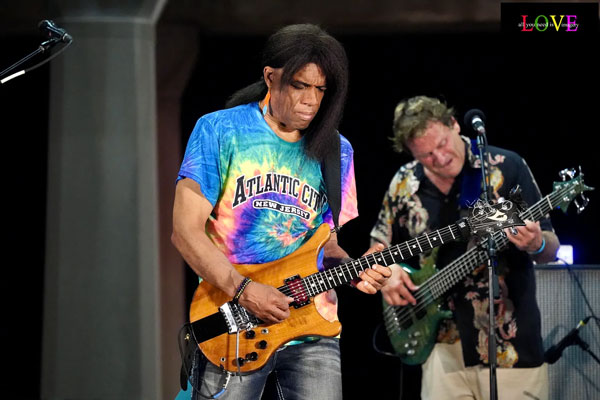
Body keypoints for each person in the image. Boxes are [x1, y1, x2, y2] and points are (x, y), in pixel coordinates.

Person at [171, 23, 391, 400]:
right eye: (300, 86)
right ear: (271, 78)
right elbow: (185, 232)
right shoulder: (220, 130)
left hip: (313, 326)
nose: (311, 100)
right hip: (234, 320)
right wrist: (243, 290)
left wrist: (355, 271)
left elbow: (327, 245)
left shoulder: (337, 152)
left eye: (321, 90)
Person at [370, 95, 560, 400]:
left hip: (510, 347)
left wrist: (536, 244)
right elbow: (377, 248)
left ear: (454, 124)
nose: (440, 158)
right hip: (441, 351)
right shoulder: (404, 182)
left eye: (443, 144)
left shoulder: (505, 168)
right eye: (427, 155)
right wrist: (387, 273)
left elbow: (550, 248)